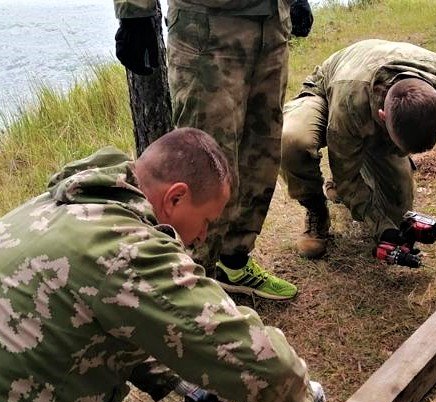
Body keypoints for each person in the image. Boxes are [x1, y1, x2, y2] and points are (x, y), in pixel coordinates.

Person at [0, 128, 324, 402]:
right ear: (175, 197)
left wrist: (173, 374)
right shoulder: (126, 249)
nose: (205, 234)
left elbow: (109, 315)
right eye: (206, 220)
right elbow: (246, 352)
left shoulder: (75, 202)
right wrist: (302, 398)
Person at [112, 0, 313, 300]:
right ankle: (189, 282)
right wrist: (134, 14)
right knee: (203, 162)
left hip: (271, 25)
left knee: (261, 152)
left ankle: (234, 261)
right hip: (208, 27)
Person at [279, 39, 436, 265]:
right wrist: (378, 226)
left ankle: (370, 179)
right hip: (330, 88)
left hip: (373, 110)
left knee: (397, 214)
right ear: (382, 117)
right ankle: (316, 209)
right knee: (293, 141)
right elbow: (346, 175)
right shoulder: (350, 103)